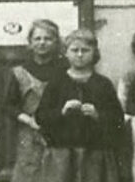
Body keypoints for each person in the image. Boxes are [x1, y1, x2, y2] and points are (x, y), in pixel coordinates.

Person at [35, 28, 125, 182]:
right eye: (75, 50)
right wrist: (62, 111)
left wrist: (97, 115)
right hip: (62, 153)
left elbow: (117, 118)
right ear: (66, 53)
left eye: (85, 50)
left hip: (95, 153)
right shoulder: (57, 82)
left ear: (94, 53)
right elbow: (41, 116)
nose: (80, 55)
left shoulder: (103, 84)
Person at [3, 19, 67, 182]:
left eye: (48, 39)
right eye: (37, 39)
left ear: (56, 42)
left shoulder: (65, 70)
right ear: (30, 43)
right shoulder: (19, 72)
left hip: (59, 130)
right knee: (28, 172)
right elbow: (9, 105)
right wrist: (29, 121)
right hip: (29, 132)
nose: (42, 43)